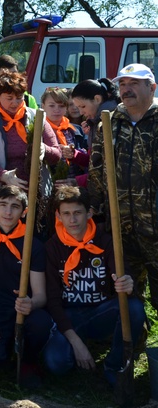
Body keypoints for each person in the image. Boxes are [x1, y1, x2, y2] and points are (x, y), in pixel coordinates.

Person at [42, 186, 146, 384]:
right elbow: (53, 302)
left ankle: (114, 365)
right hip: (69, 317)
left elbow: (121, 274)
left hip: (101, 312)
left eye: (78, 213)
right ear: (58, 216)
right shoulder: (52, 248)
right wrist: (76, 343)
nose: (72, 220)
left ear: (89, 213)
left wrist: (127, 283)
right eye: (66, 214)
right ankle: (76, 353)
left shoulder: (105, 241)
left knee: (134, 308)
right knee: (56, 363)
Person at [87, 64, 158, 312]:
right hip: (122, 227)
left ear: (152, 87)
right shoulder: (110, 122)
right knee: (128, 294)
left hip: (156, 227)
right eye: (123, 85)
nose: (126, 90)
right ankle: (132, 345)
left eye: (134, 84)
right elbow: (96, 170)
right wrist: (96, 211)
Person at [0, 186, 51, 378]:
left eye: (15, 206)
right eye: (3, 205)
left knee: (41, 322)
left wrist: (31, 303)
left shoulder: (33, 244)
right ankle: (4, 350)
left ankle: (28, 359)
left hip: (22, 311)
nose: (8, 212)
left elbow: (41, 296)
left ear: (24, 212)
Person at [0, 71, 60, 192]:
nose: (15, 103)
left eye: (19, 98)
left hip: (36, 194)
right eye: (9, 98)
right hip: (1, 194)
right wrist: (3, 175)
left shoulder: (37, 117)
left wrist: (44, 149)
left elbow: (57, 154)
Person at [66, 78, 119, 187]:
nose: (81, 112)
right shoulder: (95, 122)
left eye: (83, 106)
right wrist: (75, 155)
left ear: (97, 99)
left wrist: (77, 181)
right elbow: (94, 160)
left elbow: (108, 169)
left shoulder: (111, 122)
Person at [41, 87, 86, 181]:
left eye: (61, 106)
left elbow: (88, 160)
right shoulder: (39, 130)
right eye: (51, 105)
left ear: (66, 108)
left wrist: (74, 153)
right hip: (48, 184)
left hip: (74, 184)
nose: (56, 110)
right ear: (43, 106)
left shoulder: (76, 130)